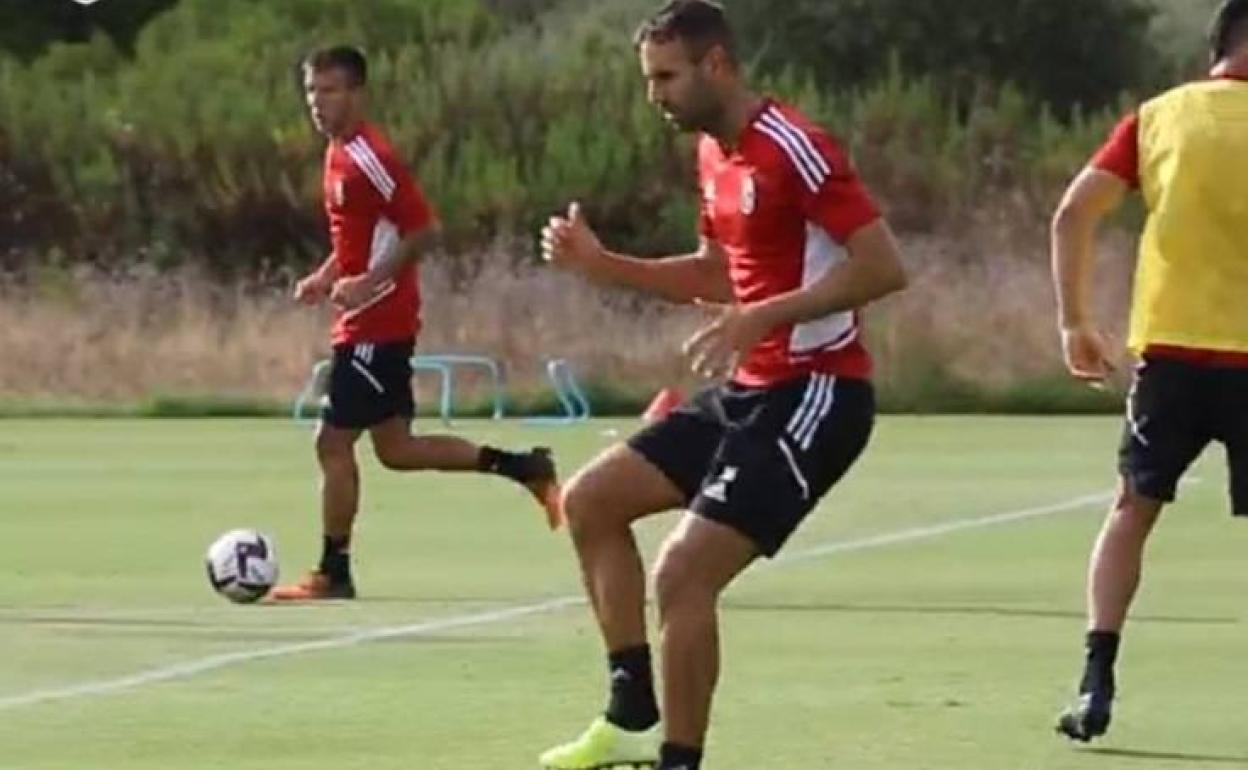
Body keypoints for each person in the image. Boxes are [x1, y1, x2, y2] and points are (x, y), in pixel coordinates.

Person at [536, 3, 908, 767]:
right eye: (649, 80)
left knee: (682, 573)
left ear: (717, 65)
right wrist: (603, 266)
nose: (655, 95)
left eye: (667, 78)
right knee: (591, 501)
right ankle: (630, 708)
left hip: (817, 394)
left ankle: (680, 760)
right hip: (749, 391)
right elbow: (716, 273)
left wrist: (762, 315)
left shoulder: (795, 146)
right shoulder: (714, 153)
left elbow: (883, 267)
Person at [271, 45, 561, 602]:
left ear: (357, 94)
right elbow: (356, 239)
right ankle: (524, 467)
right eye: (311, 91)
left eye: (329, 91)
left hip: (376, 325)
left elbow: (423, 229)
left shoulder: (370, 157)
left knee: (331, 442)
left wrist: (369, 284)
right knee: (397, 450)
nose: (317, 102)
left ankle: (334, 572)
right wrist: (325, 276)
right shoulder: (337, 153)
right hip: (367, 321)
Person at [1051, 0, 1248, 741]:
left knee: (1132, 510)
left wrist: (1074, 320)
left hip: (1172, 357)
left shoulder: (1161, 117)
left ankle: (1095, 681)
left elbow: (1074, 213)